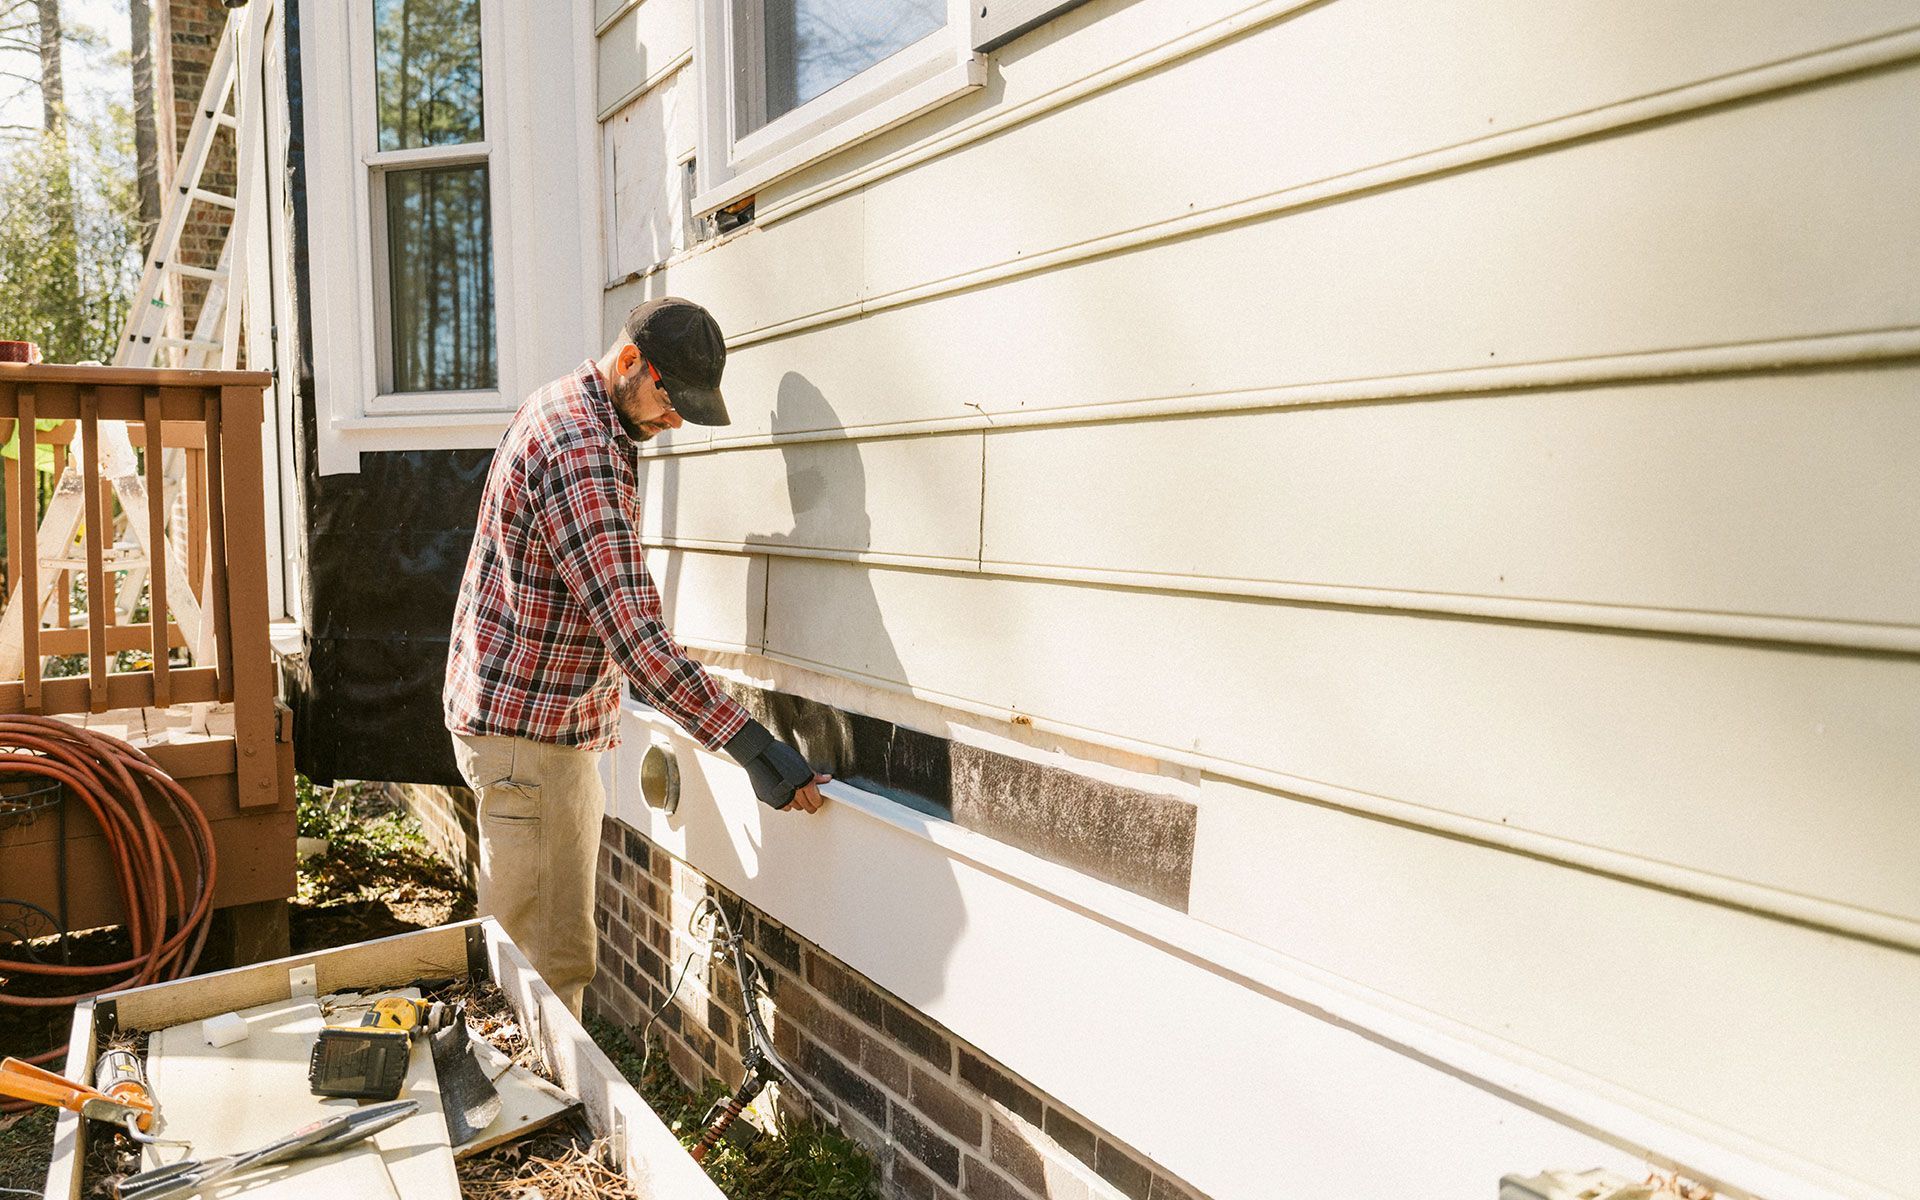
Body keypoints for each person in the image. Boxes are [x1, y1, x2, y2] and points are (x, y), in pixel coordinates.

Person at [444, 297, 827, 1016]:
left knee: (542, 963)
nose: (673, 420)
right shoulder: (581, 451)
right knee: (540, 975)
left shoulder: (566, 407)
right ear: (628, 363)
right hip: (528, 746)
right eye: (667, 399)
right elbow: (637, 637)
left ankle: (531, 1109)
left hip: (523, 726)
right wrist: (756, 751)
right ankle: (526, 1118)